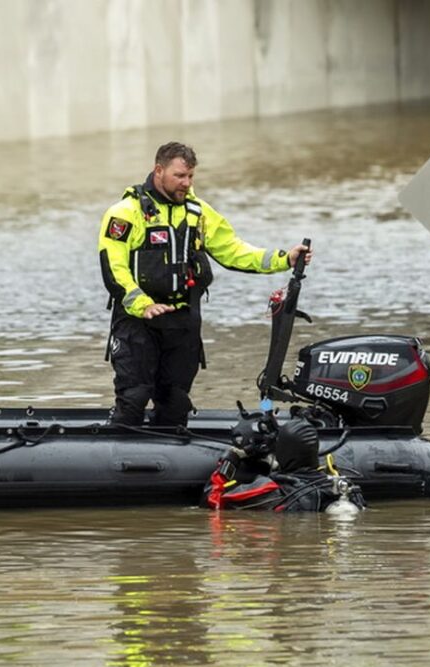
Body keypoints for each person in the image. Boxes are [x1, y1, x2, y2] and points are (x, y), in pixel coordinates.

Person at [98, 141, 311, 428]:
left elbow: (234, 251)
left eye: (190, 176)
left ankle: (170, 460)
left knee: (175, 402)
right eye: (179, 176)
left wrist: (284, 258)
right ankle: (119, 453)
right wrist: (142, 304)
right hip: (138, 322)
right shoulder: (125, 212)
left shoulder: (198, 213)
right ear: (158, 171)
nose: (186, 183)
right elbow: (114, 267)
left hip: (182, 321)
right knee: (134, 397)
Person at [203, 417, 365, 512]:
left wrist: (230, 460)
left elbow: (211, 501)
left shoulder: (272, 489)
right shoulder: (342, 486)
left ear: (284, 452)